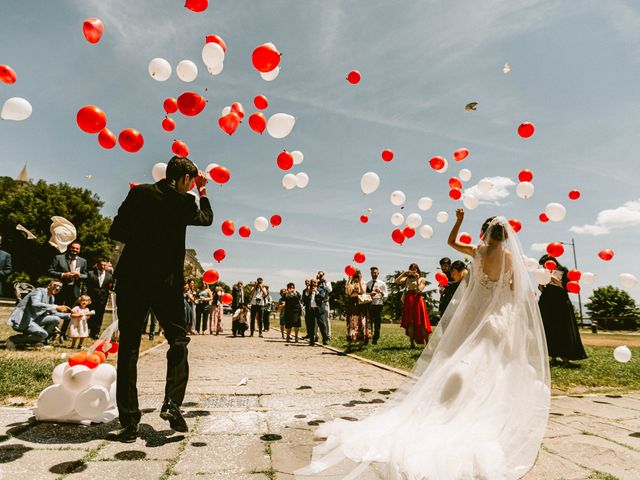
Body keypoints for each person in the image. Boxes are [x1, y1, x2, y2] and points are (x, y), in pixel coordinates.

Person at [296, 210, 550, 480]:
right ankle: (486, 404)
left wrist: (458, 221)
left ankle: (454, 398)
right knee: (494, 358)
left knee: (465, 353)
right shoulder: (510, 258)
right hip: (495, 312)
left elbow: (452, 242)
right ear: (507, 236)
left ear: (485, 234)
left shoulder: (478, 251)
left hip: (475, 309)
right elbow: (513, 288)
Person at [107, 155, 213, 443]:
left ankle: (129, 423)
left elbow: (115, 230)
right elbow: (207, 219)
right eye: (190, 182)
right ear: (184, 179)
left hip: (132, 279)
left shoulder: (139, 192)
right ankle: (172, 403)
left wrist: (141, 236)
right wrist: (202, 192)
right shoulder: (185, 202)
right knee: (178, 340)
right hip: (166, 283)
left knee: (128, 347)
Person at [538, 254, 587, 366]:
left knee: (563, 327)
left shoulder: (564, 271)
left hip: (560, 301)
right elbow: (542, 289)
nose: (545, 267)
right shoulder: (545, 272)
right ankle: (553, 357)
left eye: (545, 264)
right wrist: (541, 283)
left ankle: (566, 358)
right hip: (547, 301)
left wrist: (554, 279)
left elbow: (567, 287)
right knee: (549, 328)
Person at [6, 280, 71, 348]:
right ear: (49, 286)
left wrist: (70, 315)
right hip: (21, 320)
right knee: (44, 334)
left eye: (60, 287)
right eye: (55, 285)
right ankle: (12, 340)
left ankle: (36, 341)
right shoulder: (39, 291)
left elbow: (54, 313)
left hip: (33, 319)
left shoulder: (51, 297)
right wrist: (56, 306)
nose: (57, 288)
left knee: (56, 319)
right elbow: (35, 304)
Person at [48, 241, 88, 340]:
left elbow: (86, 275)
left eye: (77, 248)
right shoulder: (59, 258)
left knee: (71, 312)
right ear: (69, 248)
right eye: (73, 248)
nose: (74, 250)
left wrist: (80, 276)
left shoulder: (83, 261)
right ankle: (51, 331)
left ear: (79, 250)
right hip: (60, 290)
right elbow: (50, 271)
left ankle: (64, 333)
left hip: (74, 290)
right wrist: (63, 275)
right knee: (56, 310)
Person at [396, 263, 432, 348]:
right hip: (409, 300)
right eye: (411, 269)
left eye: (415, 269)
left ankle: (427, 343)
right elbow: (397, 281)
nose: (413, 270)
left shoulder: (421, 279)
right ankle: (412, 343)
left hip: (418, 299)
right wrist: (404, 273)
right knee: (410, 322)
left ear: (418, 270)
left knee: (422, 322)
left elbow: (420, 289)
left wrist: (416, 278)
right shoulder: (407, 278)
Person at [86, 259, 113, 339]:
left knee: (99, 315)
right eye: (101, 265)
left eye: (105, 265)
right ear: (97, 265)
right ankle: (86, 330)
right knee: (89, 314)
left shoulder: (109, 275)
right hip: (91, 297)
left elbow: (109, 287)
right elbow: (86, 285)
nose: (103, 266)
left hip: (102, 298)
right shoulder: (91, 273)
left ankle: (95, 332)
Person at [345, 269, 370, 348]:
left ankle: (360, 342)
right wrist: (349, 280)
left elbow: (362, 292)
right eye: (354, 275)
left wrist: (359, 283)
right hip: (352, 303)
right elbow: (348, 293)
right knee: (352, 322)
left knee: (361, 322)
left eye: (357, 275)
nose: (356, 277)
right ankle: (350, 341)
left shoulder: (363, 283)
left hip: (360, 304)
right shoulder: (351, 283)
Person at [303, 278, 329, 346]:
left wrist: (316, 292)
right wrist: (307, 293)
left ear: (317, 283)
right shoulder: (308, 291)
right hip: (311, 310)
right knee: (311, 326)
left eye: (314, 282)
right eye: (312, 282)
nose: (313, 284)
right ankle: (311, 341)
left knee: (322, 325)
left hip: (319, 310)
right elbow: (304, 300)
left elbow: (323, 297)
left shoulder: (320, 290)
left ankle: (325, 340)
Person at [366, 267, 388, 345]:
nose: (373, 274)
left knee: (377, 323)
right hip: (370, 304)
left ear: (378, 273)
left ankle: (375, 339)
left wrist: (381, 292)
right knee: (369, 322)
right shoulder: (367, 284)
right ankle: (368, 337)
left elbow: (386, 296)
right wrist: (370, 294)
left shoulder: (382, 284)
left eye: (375, 273)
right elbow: (365, 295)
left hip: (378, 304)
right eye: (372, 273)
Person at [317, 271, 333, 339]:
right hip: (318, 303)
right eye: (319, 275)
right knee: (317, 319)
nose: (320, 276)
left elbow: (330, 290)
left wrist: (325, 282)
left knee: (327, 319)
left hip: (325, 302)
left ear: (324, 275)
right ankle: (316, 335)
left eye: (321, 275)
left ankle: (328, 335)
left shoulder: (327, 283)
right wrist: (317, 281)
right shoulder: (316, 283)